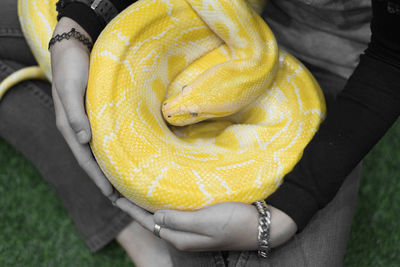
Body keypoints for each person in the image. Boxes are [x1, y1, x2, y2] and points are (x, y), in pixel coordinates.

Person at [0, 0, 398, 266]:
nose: (173, 113)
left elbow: (392, 59)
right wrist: (78, 22)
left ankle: (140, 210)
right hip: (198, 18)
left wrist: (282, 215)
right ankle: (132, 225)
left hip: (336, 69)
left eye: (190, 112)